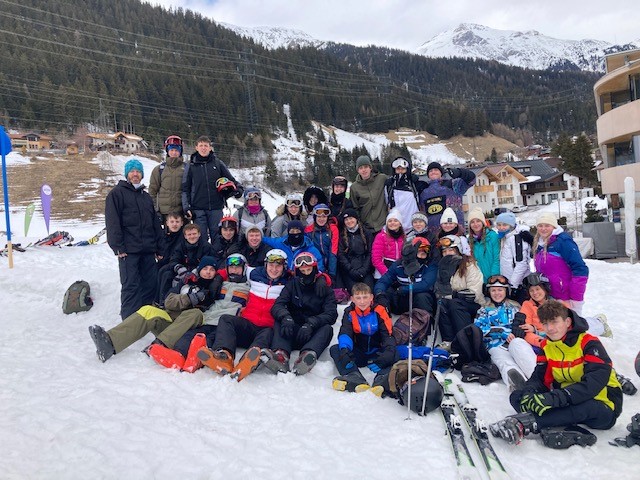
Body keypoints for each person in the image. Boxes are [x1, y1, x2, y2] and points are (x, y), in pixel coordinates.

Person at [490, 300, 622, 446]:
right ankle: (560, 424)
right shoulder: (547, 346)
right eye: (545, 323)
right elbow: (539, 378)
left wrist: (556, 398)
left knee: (584, 405)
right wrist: (529, 393)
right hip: (567, 398)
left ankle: (525, 423)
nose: (550, 328)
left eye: (554, 322)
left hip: (602, 405)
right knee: (517, 397)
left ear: (567, 322)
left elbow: (593, 384)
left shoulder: (588, 343)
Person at [88, 256, 220, 363]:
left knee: (195, 313)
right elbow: (169, 302)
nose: (208, 272)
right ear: (200, 269)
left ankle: (158, 346)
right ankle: (110, 342)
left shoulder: (217, 286)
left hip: (188, 330)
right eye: (205, 268)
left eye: (212, 270)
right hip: (171, 323)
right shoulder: (186, 281)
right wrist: (189, 299)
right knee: (148, 310)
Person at [197, 249, 292, 382]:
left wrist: (324, 279)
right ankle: (224, 356)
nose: (274, 269)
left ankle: (249, 359)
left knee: (267, 333)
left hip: (266, 328)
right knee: (226, 319)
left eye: (278, 266)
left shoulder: (290, 281)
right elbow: (233, 268)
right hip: (247, 324)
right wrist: (218, 277)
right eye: (271, 265)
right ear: (265, 265)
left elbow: (310, 272)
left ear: (284, 267)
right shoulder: (254, 274)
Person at [147, 254, 251, 372]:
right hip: (209, 318)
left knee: (211, 339)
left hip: (227, 323)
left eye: (238, 268)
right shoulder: (219, 283)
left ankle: (196, 359)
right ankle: (178, 355)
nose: (234, 271)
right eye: (231, 267)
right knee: (190, 335)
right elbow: (204, 279)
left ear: (244, 269)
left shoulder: (249, 288)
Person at [508, 272, 612, 380]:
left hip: (561, 338)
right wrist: (542, 342)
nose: (535, 293)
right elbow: (525, 330)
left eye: (537, 289)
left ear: (545, 289)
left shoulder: (557, 304)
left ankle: (599, 323)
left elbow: (570, 325)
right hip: (543, 341)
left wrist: (536, 330)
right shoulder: (528, 305)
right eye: (532, 290)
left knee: (585, 330)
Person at [105, 158, 163, 319]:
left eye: (138, 171)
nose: (135, 174)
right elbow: (112, 221)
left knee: (150, 284)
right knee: (131, 285)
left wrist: (159, 247)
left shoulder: (145, 197)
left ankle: (144, 319)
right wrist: (118, 246)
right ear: (127, 174)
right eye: (132, 171)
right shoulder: (116, 194)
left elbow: (154, 224)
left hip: (147, 250)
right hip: (128, 251)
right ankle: (129, 322)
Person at [266, 252, 338, 375]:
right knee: (279, 320)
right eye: (302, 270)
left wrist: (312, 323)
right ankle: (281, 356)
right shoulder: (292, 284)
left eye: (308, 269)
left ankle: (307, 357)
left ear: (314, 268)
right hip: (291, 329)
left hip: (311, 333)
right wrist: (285, 317)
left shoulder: (325, 288)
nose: (305, 273)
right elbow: (278, 305)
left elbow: (331, 314)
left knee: (327, 329)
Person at [329, 282, 397, 395]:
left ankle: (383, 378)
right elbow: (346, 332)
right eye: (358, 298)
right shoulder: (349, 312)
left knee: (395, 352)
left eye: (365, 297)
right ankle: (354, 376)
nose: (362, 301)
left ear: (371, 298)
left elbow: (388, 335)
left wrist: (388, 352)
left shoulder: (379, 310)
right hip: (359, 353)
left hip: (378, 354)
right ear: (352, 299)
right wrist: (345, 350)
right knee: (336, 349)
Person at [473, 275, 530, 390]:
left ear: (506, 291)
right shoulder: (484, 310)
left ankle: (536, 379)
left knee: (524, 355)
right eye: (493, 290)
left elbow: (526, 323)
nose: (496, 293)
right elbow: (479, 329)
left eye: (500, 290)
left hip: (516, 342)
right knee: (504, 361)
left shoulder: (515, 307)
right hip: (495, 345)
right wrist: (502, 332)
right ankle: (516, 382)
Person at [182, 135, 243, 241]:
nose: (203, 148)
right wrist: (186, 207)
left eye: (206, 145)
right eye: (201, 145)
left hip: (216, 207)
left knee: (218, 236)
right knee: (201, 238)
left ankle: (217, 257)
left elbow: (230, 179)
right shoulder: (191, 165)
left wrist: (238, 188)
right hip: (198, 208)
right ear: (196, 147)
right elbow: (185, 188)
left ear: (210, 148)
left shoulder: (218, 163)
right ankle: (203, 258)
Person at [434, 235, 485, 346]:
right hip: (453, 302)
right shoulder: (443, 268)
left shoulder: (470, 266)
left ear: (459, 250)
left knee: (454, 304)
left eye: (451, 250)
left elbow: (474, 292)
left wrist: (454, 295)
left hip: (473, 304)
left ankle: (466, 340)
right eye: (445, 251)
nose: (448, 253)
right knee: (441, 304)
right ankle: (448, 341)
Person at [534, 212, 588, 315]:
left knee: (571, 326)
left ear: (554, 226)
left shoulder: (563, 242)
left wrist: (576, 298)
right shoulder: (540, 243)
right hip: (549, 295)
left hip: (565, 296)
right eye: (540, 226)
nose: (543, 228)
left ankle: (599, 324)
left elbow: (580, 269)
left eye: (547, 225)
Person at [374, 237, 437, 315]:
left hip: (418, 299)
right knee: (385, 293)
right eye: (419, 249)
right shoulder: (398, 265)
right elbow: (384, 280)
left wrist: (404, 289)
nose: (423, 252)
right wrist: (379, 293)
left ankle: (425, 324)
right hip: (402, 299)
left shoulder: (430, 265)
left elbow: (426, 285)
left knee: (422, 297)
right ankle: (385, 321)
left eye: (426, 249)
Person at [157, 223, 215, 306]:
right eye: (189, 234)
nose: (192, 236)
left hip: (200, 272)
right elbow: (174, 260)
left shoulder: (206, 246)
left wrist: (195, 271)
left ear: (199, 234)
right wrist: (181, 270)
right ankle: (162, 301)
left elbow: (208, 262)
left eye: (194, 234)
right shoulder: (180, 246)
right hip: (183, 271)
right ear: (185, 236)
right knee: (165, 273)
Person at [418, 161, 475, 235]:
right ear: (428, 175)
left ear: (441, 173)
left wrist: (459, 172)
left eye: (436, 170)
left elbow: (472, 179)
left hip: (455, 232)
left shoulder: (453, 185)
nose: (433, 172)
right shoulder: (424, 192)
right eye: (431, 171)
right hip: (433, 235)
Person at [496, 211, 532, 302]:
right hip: (508, 282)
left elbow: (521, 263)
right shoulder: (505, 237)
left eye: (504, 225)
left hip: (517, 284)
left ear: (511, 226)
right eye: (499, 225)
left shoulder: (516, 238)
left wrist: (513, 285)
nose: (501, 227)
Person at [148, 135, 185, 222]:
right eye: (171, 150)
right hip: (164, 213)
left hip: (181, 212)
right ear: (167, 151)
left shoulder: (187, 169)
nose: (174, 152)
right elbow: (152, 191)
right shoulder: (159, 169)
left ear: (180, 152)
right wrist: (155, 210)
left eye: (176, 150)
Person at [337, 208, 374, 291]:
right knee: (355, 292)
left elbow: (370, 252)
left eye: (351, 218)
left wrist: (364, 269)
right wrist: (350, 270)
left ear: (356, 219)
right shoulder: (342, 236)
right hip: (349, 271)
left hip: (365, 269)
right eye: (346, 220)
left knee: (368, 291)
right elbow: (341, 255)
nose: (349, 221)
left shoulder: (366, 233)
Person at [349, 155, 388, 233]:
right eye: (361, 168)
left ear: (370, 168)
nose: (364, 170)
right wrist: (361, 225)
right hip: (367, 228)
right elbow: (355, 208)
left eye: (366, 167)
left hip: (384, 226)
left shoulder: (382, 179)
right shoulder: (354, 187)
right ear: (358, 170)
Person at [384, 156, 422, 231]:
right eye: (398, 169)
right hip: (396, 226)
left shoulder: (414, 183)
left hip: (413, 225)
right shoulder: (389, 185)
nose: (400, 171)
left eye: (403, 169)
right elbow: (387, 202)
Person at [304, 203, 338, 280]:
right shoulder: (309, 230)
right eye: (319, 216)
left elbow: (333, 251)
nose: (321, 219)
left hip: (331, 264)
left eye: (324, 217)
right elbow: (309, 251)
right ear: (315, 217)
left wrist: (332, 273)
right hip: (316, 265)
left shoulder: (333, 229)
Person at [467, 207, 500, 282]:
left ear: (483, 222)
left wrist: (494, 276)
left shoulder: (492, 236)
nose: (475, 224)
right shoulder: (469, 240)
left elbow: (497, 258)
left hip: (492, 278)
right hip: (478, 280)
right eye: (472, 222)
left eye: (478, 221)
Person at [371, 208, 405, 279]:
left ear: (400, 224)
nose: (392, 223)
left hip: (399, 272)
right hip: (384, 273)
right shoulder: (380, 236)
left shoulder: (404, 237)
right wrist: (387, 274)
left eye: (396, 220)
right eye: (390, 221)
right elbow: (376, 259)